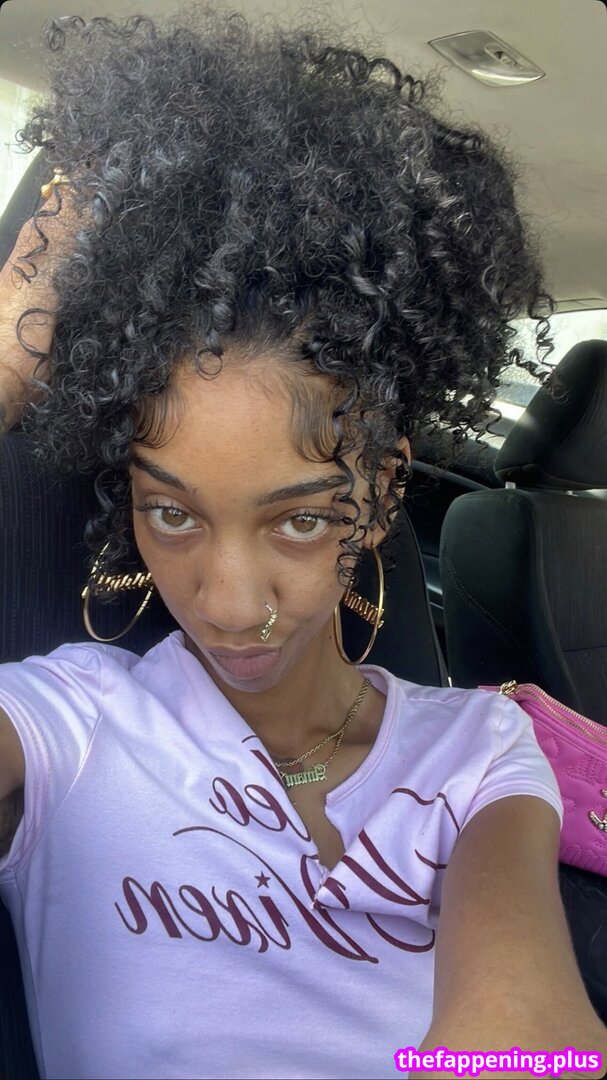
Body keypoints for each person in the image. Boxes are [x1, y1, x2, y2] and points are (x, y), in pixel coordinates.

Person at [0, 10, 604, 1080]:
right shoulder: (69, 722)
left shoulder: (475, 751)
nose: (232, 605)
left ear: (383, 492)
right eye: (172, 512)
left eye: (300, 518)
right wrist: (14, 349)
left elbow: (526, 1047)